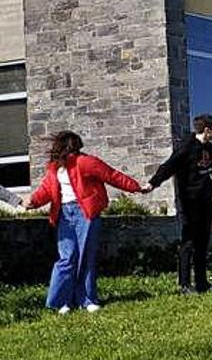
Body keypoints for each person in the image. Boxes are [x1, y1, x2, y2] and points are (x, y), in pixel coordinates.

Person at [25, 131, 144, 314]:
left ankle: (87, 299)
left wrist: (135, 187)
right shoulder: (54, 168)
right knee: (67, 258)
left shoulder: (85, 162)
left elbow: (111, 175)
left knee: (86, 256)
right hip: (64, 214)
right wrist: (33, 201)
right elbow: (47, 189)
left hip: (85, 213)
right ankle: (60, 301)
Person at [147, 114, 212, 295]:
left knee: (202, 243)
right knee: (188, 243)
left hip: (205, 200)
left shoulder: (210, 149)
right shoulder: (186, 148)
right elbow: (167, 167)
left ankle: (202, 283)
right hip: (188, 202)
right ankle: (184, 285)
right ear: (207, 130)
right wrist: (152, 183)